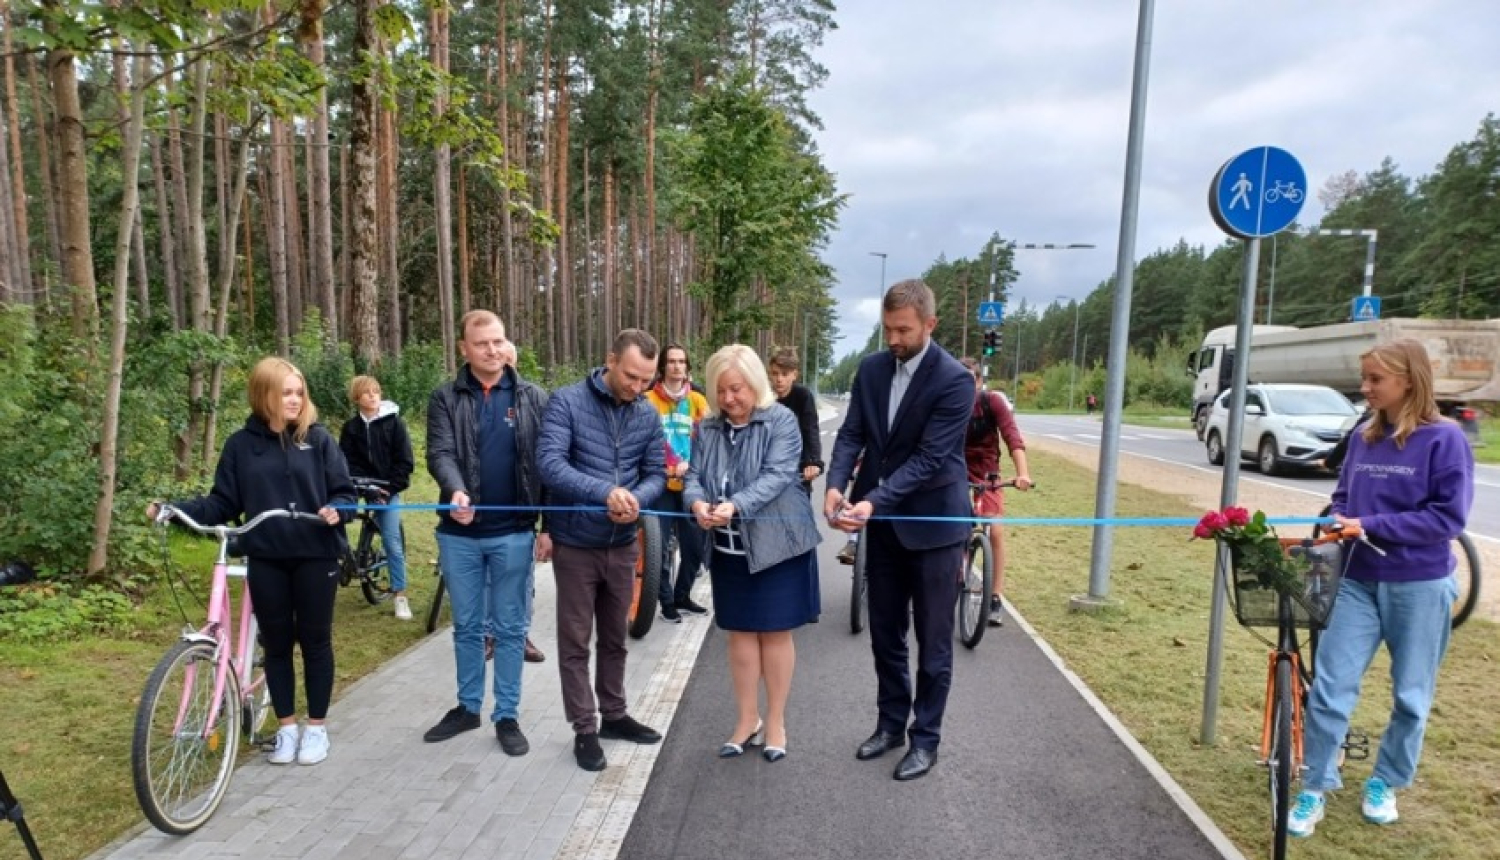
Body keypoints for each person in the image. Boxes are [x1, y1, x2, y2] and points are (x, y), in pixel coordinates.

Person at [1288, 338, 1474, 838]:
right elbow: (1343, 497)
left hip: (1419, 584)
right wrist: (1333, 519)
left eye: (1376, 379)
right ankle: (1314, 786)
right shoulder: (1365, 437)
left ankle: (1386, 781)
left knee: (1411, 696)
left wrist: (1369, 523)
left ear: (1408, 380)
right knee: (1329, 689)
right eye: (1365, 377)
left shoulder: (1445, 440)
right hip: (1355, 581)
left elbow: (1447, 518)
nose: (1365, 387)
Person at [148, 357, 354, 766]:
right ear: (265, 396)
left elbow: (345, 493)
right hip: (266, 556)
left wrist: (338, 509)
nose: (294, 400)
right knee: (275, 645)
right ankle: (287, 727)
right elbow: (223, 502)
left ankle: (316, 728)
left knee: (315, 642)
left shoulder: (319, 439)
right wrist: (174, 510)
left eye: (298, 392)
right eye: (285, 392)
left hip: (317, 554)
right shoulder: (241, 446)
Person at [824, 279, 975, 782]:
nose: (893, 339)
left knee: (933, 643)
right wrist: (836, 483)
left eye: (903, 330)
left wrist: (870, 501)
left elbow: (931, 460)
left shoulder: (954, 380)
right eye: (887, 328)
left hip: (934, 529)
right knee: (885, 634)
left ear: (930, 325)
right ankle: (890, 724)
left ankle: (925, 739)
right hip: (882, 526)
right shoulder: (870, 370)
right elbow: (851, 434)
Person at [537, 329, 668, 772]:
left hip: (623, 544)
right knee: (575, 642)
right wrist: (604, 492)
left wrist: (636, 501)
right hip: (575, 544)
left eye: (646, 380)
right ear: (610, 359)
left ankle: (614, 715)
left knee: (615, 639)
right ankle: (585, 729)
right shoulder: (566, 402)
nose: (637, 387)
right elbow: (550, 464)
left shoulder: (647, 414)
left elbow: (655, 473)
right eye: (631, 376)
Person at [423, 310, 551, 756]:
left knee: (513, 629)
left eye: (498, 341)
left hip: (515, 532)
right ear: (464, 349)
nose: (492, 350)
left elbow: (549, 465)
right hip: (459, 535)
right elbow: (439, 452)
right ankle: (467, 707)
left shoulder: (535, 397)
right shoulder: (444, 398)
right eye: (482, 344)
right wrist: (455, 491)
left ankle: (507, 715)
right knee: (468, 628)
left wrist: (547, 525)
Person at [685, 345, 822, 763]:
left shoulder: (780, 419)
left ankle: (776, 721)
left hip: (777, 546)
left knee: (775, 633)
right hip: (729, 549)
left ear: (756, 384)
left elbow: (779, 475)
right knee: (740, 634)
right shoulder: (707, 427)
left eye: (737, 389)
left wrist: (734, 505)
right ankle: (747, 719)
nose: (729, 399)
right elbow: (693, 476)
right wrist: (696, 503)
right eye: (722, 390)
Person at [958, 358, 1032, 628]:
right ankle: (952, 577)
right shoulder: (947, 402)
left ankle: (995, 596)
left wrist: (1023, 473)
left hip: (987, 472)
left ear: (979, 382)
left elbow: (1013, 437)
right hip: (954, 471)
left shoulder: (993, 403)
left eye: (969, 380)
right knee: (953, 527)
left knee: (996, 530)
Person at [339, 375, 416, 620]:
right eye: (367, 392)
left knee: (392, 542)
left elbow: (404, 462)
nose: (373, 396)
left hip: (388, 489)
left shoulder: (395, 424)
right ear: (356, 398)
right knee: (332, 521)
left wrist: (388, 489)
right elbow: (345, 462)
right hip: (359, 487)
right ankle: (344, 563)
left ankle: (400, 595)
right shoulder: (351, 428)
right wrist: (361, 485)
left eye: (376, 391)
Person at [644, 342, 711, 623]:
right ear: (662, 367)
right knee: (657, 549)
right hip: (658, 483)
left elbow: (709, 441)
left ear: (687, 368)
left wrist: (692, 464)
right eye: (671, 361)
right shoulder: (647, 399)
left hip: (690, 484)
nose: (676, 366)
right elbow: (640, 439)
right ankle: (666, 601)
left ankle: (683, 594)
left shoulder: (697, 401)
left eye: (681, 362)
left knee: (696, 545)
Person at [497, 339, 546, 664]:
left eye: (510, 362)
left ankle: (521, 634)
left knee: (522, 579)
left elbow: (548, 458)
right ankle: (489, 635)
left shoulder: (534, 399)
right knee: (488, 581)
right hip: (481, 511)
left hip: (522, 509)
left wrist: (547, 524)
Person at [767, 347, 824, 494]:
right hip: (768, 471)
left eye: (785, 374)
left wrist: (813, 462)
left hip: (797, 470)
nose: (779, 379)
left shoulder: (803, 396)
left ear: (794, 375)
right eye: (775, 374)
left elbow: (810, 429)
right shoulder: (764, 398)